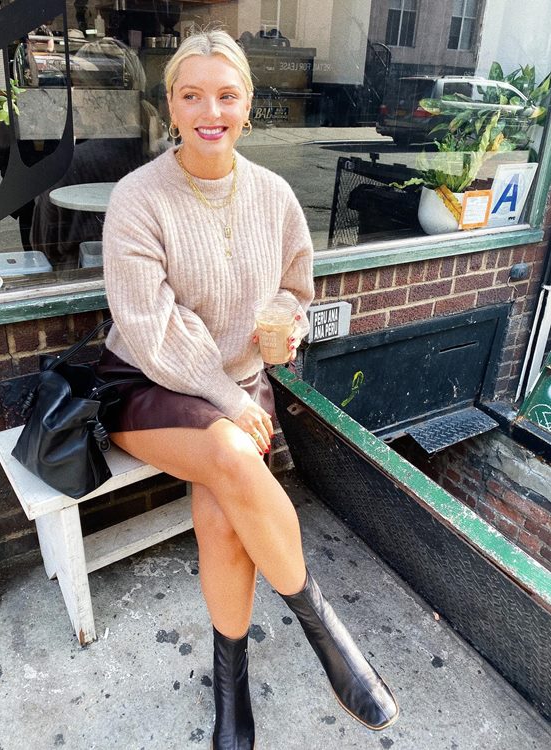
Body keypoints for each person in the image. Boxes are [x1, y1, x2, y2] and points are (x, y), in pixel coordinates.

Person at [97, 29, 398, 749]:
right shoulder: (138, 199)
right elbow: (149, 328)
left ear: (248, 106)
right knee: (234, 457)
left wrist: (287, 328)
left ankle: (230, 688)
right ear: (169, 103)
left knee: (227, 519)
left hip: (239, 383)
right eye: (192, 94)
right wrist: (227, 397)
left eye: (226, 95)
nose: (210, 110)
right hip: (146, 383)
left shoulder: (275, 195)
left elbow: (296, 291)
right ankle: (325, 631)